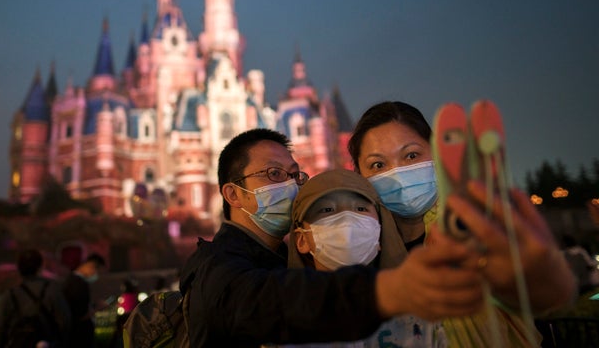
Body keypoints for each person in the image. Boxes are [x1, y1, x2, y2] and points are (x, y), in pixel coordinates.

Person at [179, 128, 487, 347]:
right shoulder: (219, 268)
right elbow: (271, 301)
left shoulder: (271, 260)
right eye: (274, 174)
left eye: (294, 175)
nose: (290, 185)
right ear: (233, 194)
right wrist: (387, 290)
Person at [347, 100, 577, 346]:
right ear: (360, 176)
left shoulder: (475, 228)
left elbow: (540, 296)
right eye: (378, 165)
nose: (398, 172)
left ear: (436, 153)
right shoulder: (362, 249)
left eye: (411, 155)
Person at [285, 168, 447, 347]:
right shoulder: (284, 322)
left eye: (360, 208)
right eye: (327, 209)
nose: (346, 220)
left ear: (380, 231)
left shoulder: (420, 316)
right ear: (301, 240)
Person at [0, 248, 71, 348]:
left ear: (19, 269)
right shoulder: (53, 292)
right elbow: (65, 323)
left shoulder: (9, 295)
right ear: (40, 267)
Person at [62, 253, 107, 348]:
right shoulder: (78, 284)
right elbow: (80, 314)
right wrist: (98, 308)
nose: (96, 275)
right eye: (98, 271)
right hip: (80, 336)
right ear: (92, 266)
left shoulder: (71, 280)